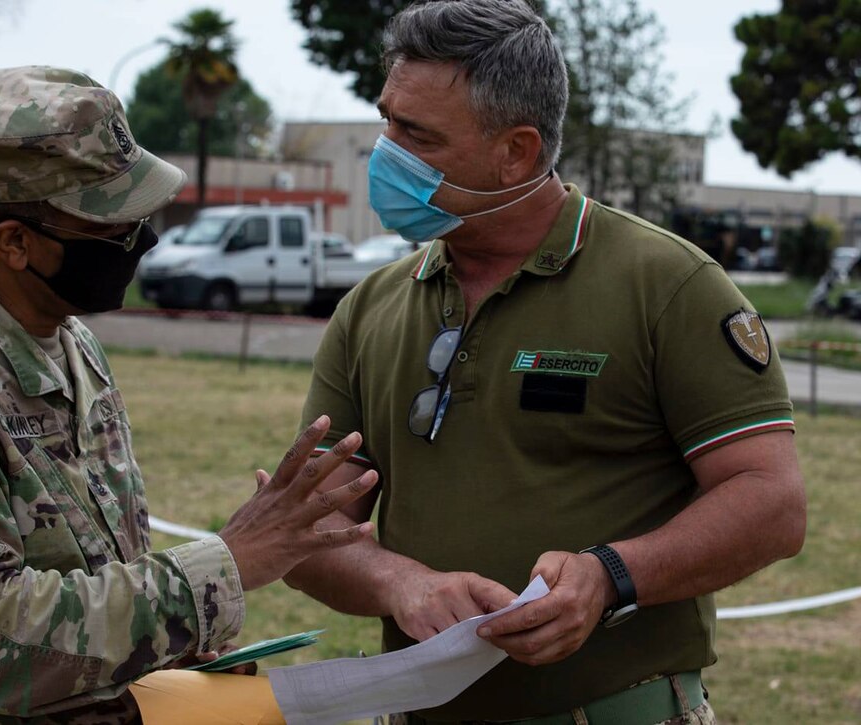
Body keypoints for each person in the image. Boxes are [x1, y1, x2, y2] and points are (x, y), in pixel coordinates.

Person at [0, 65, 377, 723]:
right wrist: (219, 567)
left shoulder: (68, 341)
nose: (144, 242)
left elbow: (97, 572)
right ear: (16, 243)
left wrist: (184, 659)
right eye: (113, 229)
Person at [285, 1, 807, 723]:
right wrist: (399, 582)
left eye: (416, 134)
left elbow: (772, 503)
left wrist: (612, 575)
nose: (386, 151)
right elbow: (307, 536)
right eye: (387, 121)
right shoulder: (369, 307)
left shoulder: (667, 285)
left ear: (517, 151)